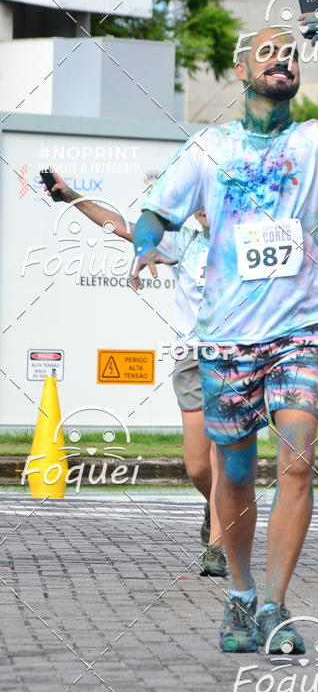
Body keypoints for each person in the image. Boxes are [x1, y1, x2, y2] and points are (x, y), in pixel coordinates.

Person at [131, 16, 318, 651]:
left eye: (291, 55)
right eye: (267, 53)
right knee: (233, 474)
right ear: (243, 70)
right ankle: (238, 594)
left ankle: (274, 602)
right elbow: (156, 211)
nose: (282, 62)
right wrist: (146, 245)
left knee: (297, 465)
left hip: (299, 333)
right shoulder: (211, 148)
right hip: (228, 338)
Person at [38, 170, 227, 577]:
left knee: (222, 456)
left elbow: (309, 245)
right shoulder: (183, 239)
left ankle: (217, 548)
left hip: (235, 359)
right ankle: (214, 508)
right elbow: (121, 226)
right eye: (200, 199)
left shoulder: (243, 240)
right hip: (191, 357)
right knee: (197, 466)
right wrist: (72, 196)